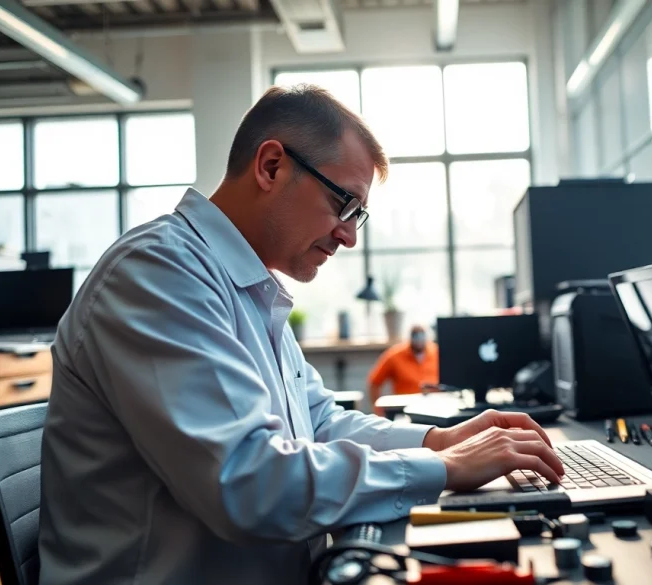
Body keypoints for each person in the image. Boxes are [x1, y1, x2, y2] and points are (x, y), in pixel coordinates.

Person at [37, 85, 564, 585]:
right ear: (271, 166)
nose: (349, 236)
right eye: (344, 204)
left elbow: (316, 421)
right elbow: (247, 484)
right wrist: (441, 468)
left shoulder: (243, 284)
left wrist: (437, 440)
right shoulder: (158, 274)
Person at [368, 324, 438, 415]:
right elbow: (374, 382)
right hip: (404, 408)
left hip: (434, 405)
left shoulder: (437, 352)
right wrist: (378, 411)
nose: (419, 340)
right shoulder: (394, 355)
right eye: (416, 336)